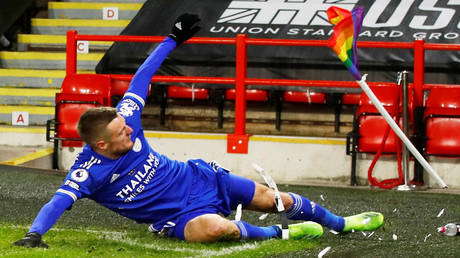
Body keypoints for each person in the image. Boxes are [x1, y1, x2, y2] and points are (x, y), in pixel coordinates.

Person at [13, 13, 384, 248]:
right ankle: (281, 234)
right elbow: (57, 201)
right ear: (101, 144)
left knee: (276, 200)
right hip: (176, 216)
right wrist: (35, 234)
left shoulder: (126, 120)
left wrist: (172, 40)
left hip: (201, 179)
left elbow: (140, 79)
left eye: (128, 126)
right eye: (122, 133)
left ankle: (339, 223)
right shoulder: (88, 172)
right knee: (215, 229)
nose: (131, 131)